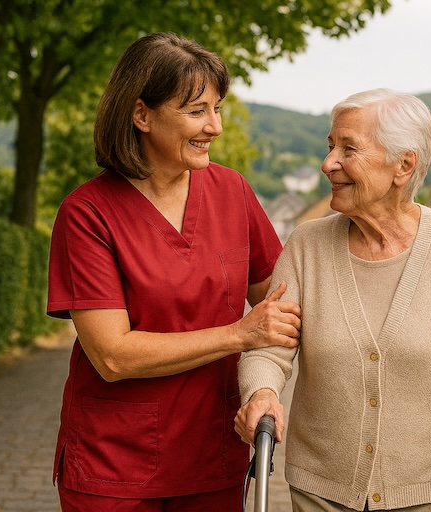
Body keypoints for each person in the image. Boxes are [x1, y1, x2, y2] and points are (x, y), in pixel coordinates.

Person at [235, 88, 431, 512]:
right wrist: (262, 391)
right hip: (322, 490)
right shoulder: (306, 246)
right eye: (329, 147)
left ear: (403, 164)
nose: (329, 163)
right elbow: (269, 348)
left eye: (348, 149)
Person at [46, 32, 301, 511]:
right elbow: (113, 356)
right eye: (196, 110)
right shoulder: (86, 214)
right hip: (116, 467)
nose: (214, 127)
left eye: (218, 108)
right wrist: (238, 334)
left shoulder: (232, 191)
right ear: (142, 114)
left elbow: (284, 302)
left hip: (213, 455)